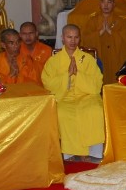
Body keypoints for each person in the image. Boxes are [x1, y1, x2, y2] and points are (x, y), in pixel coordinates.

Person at [41, 24, 104, 161]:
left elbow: (97, 83)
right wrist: (67, 75)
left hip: (87, 96)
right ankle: (69, 153)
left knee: (95, 110)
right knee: (63, 113)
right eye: (69, 37)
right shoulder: (54, 61)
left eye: (76, 37)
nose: (73, 41)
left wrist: (78, 74)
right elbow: (47, 83)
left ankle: (91, 152)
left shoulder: (87, 59)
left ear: (80, 39)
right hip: (64, 97)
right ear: (62, 38)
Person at [81, 0, 126, 85]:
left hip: (115, 59)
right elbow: (85, 40)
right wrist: (99, 33)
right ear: (100, 4)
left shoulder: (121, 22)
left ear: (113, 4)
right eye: (103, 2)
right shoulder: (92, 21)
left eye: (109, 2)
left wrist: (111, 32)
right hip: (99, 57)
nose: (106, 5)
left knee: (114, 84)